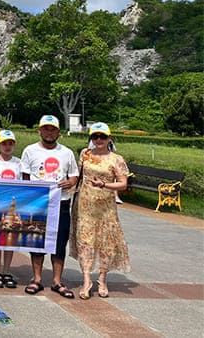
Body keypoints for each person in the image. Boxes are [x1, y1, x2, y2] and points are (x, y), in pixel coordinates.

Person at [21, 115, 79, 299]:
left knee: (59, 242)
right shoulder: (30, 151)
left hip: (60, 202)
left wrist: (69, 183)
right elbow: (25, 177)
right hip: (39, 204)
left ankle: (57, 281)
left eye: (52, 129)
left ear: (58, 132)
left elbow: (74, 176)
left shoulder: (67, 153)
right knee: (37, 240)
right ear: (39, 130)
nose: (49, 132)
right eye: (45, 129)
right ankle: (36, 278)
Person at [71, 122, 130, 299]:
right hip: (85, 205)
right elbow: (78, 177)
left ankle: (102, 278)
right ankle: (87, 279)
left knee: (106, 243)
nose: (99, 140)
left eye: (102, 137)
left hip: (106, 207)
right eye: (95, 137)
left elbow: (123, 184)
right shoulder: (85, 154)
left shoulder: (116, 159)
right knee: (85, 242)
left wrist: (104, 184)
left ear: (109, 139)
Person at [0, 129, 22, 289]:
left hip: (12, 208)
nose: (7, 147)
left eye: (10, 143)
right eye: (4, 144)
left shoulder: (19, 163)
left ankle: (7, 271)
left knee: (10, 241)